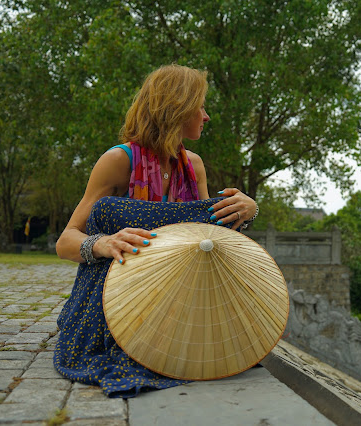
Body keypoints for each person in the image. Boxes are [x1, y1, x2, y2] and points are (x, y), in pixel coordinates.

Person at [54, 64, 259, 398]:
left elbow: (207, 235)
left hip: (174, 293)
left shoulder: (194, 165)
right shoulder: (118, 160)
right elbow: (65, 241)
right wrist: (105, 243)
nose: (206, 116)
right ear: (176, 108)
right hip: (121, 290)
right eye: (201, 106)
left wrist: (248, 211)